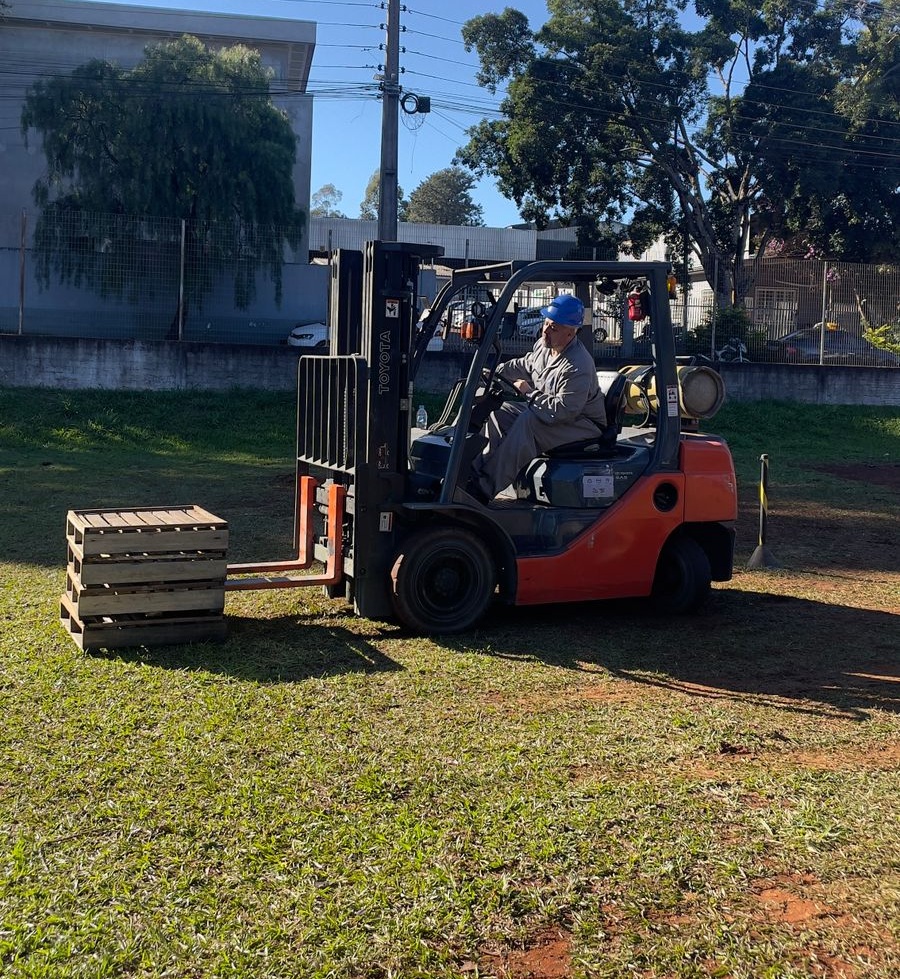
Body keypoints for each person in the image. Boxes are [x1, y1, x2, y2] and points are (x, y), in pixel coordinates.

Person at [468, 294, 607, 502]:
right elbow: (525, 365)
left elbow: (563, 411)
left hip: (582, 424)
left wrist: (528, 393)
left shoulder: (577, 365)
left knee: (529, 422)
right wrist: (495, 372)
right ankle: (475, 472)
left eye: (554, 328)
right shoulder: (544, 345)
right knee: (499, 412)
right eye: (546, 323)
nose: (546, 330)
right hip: (550, 410)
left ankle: (484, 488)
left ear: (570, 333)